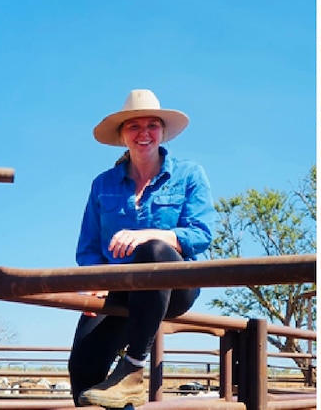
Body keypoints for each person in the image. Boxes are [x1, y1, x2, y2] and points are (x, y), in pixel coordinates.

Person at [68, 89, 215, 408]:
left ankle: (133, 367)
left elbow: (201, 233)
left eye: (152, 125)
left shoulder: (189, 174)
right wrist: (95, 284)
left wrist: (152, 235)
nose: (144, 133)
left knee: (154, 251)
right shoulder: (103, 184)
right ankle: (123, 391)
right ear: (123, 135)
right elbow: (89, 247)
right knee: (83, 370)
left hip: (174, 283)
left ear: (162, 133)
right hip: (119, 286)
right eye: (134, 126)